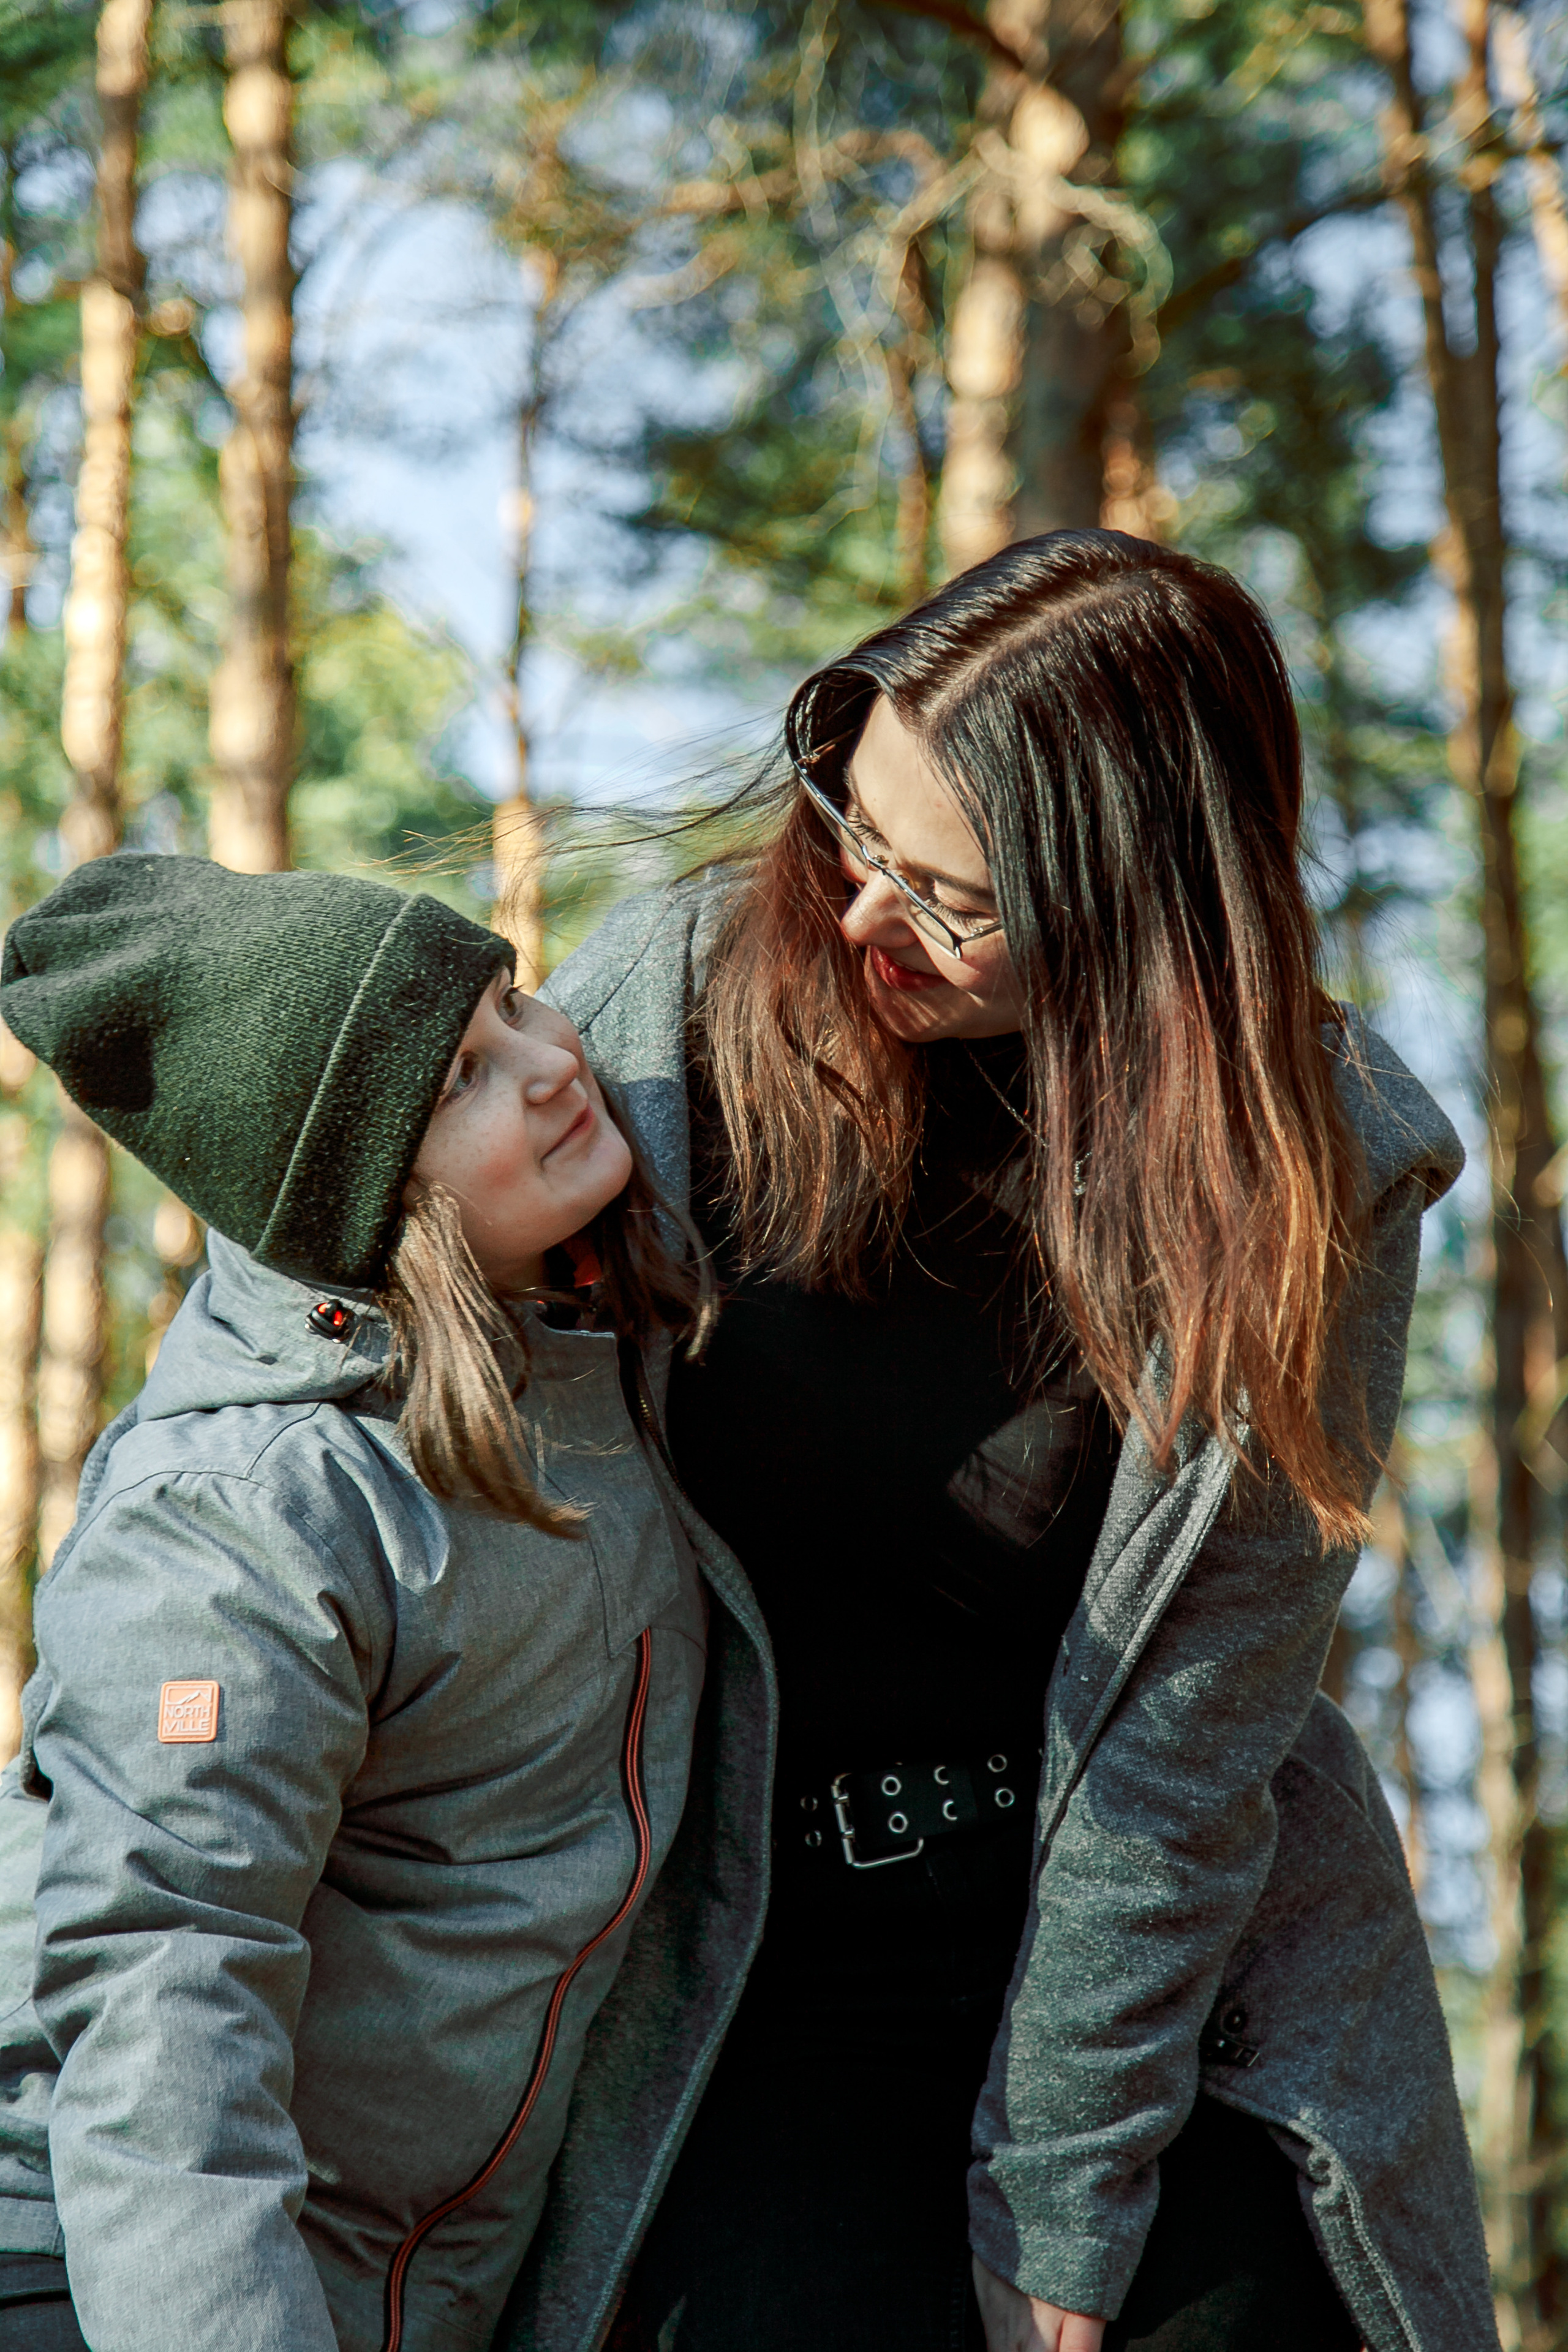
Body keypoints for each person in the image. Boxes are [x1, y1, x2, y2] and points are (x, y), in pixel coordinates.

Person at [538, 532, 1498, 2352]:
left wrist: (1063, 2185)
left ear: (1149, 904)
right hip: (741, 1961)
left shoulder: (1317, 1161)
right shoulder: (667, 1008)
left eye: (950, 895)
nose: (858, 918)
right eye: (851, 828)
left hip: (1160, 1974)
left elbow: (1194, 1737)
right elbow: (372, 1361)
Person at [0, 856, 776, 2352]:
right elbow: (167, 1987)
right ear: (362, 1196)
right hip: (106, 2270)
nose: (557, 1066)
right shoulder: (242, 1521)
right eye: (462, 1082)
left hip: (399, 2288)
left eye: (515, 1000)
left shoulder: (579, 1345)